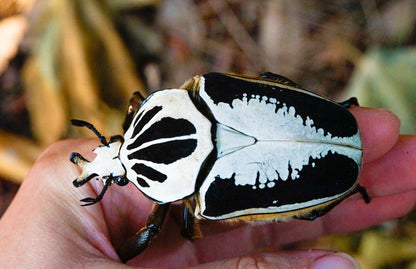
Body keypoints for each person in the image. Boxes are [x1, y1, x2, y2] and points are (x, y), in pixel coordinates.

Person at [0, 107, 415, 268]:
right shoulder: (197, 93)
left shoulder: (203, 202)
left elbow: (151, 232)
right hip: (251, 110)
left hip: (320, 172)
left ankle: (348, 186)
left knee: (307, 210)